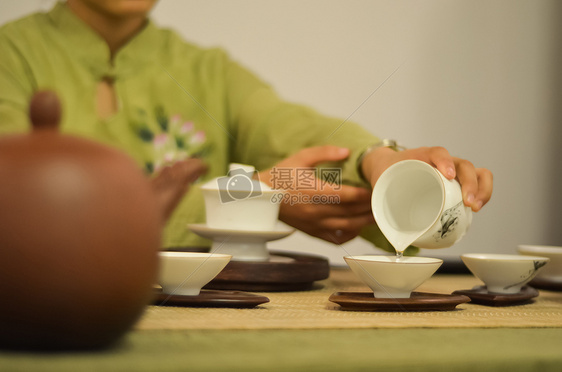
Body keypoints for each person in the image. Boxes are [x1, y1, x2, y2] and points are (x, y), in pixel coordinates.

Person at [0, 0, 493, 252]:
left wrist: (379, 162)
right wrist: (251, 197)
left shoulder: (206, 69)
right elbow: (18, 211)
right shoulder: (13, 56)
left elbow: (285, 129)